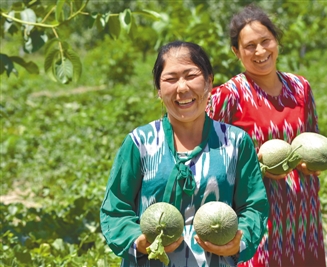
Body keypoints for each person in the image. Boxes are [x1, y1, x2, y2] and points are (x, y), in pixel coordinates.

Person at [100, 40, 269, 267]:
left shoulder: (237, 143)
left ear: (209, 82)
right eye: (170, 79)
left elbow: (253, 205)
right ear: (159, 91)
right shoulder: (139, 143)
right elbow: (115, 208)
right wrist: (138, 240)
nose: (182, 88)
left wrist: (241, 238)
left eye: (191, 76)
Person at [206, 4, 326, 267]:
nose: (260, 51)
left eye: (265, 41)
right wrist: (257, 168)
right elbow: (204, 157)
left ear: (277, 42)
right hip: (256, 217)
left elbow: (312, 136)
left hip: (302, 216)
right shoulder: (228, 96)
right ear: (236, 52)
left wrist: (312, 164)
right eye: (249, 46)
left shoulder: (300, 87)